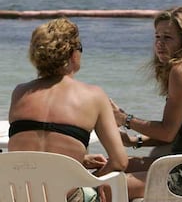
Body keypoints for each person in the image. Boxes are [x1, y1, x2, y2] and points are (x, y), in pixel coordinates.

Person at [109, 6, 182, 200]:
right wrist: (133, 141)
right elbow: (176, 132)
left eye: (167, 38)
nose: (160, 44)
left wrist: (125, 119)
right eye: (157, 37)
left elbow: (167, 131)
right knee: (110, 165)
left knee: (107, 187)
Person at [8, 17, 128, 202]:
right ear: (72, 54)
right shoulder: (94, 96)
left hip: (16, 197)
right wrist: (91, 179)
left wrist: (78, 160)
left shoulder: (20, 92)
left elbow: (37, 146)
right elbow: (119, 161)